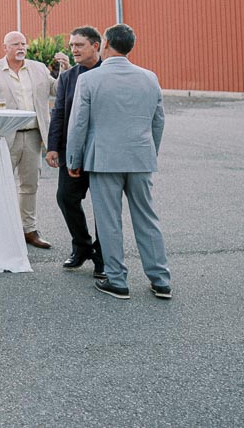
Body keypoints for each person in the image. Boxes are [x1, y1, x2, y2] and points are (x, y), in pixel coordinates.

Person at [66, 24, 171, 301]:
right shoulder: (150, 78)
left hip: (104, 159)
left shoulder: (89, 80)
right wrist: (150, 152)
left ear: (106, 44)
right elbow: (158, 122)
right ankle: (160, 279)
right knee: (147, 218)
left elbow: (78, 124)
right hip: (140, 157)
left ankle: (117, 279)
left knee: (109, 220)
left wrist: (73, 159)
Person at [0, 30, 64, 249]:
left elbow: (58, 90)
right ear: (5, 48)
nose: (21, 48)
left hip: (32, 136)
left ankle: (28, 229)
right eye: (16, 44)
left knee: (30, 185)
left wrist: (65, 69)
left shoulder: (38, 68)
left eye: (23, 44)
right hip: (2, 137)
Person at [45, 26, 105, 278]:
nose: (74, 50)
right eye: (71, 45)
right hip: (73, 152)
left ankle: (103, 257)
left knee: (105, 206)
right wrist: (53, 147)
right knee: (66, 198)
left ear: (96, 45)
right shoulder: (68, 77)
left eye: (79, 45)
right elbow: (59, 113)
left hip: (103, 152)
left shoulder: (108, 73)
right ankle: (81, 247)